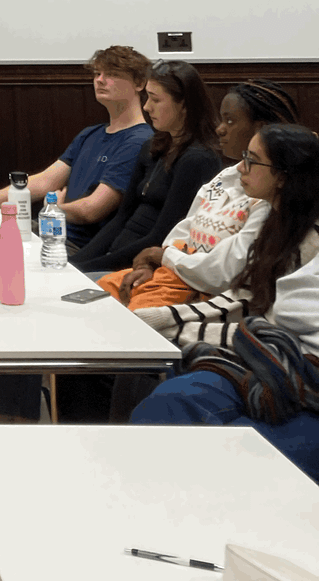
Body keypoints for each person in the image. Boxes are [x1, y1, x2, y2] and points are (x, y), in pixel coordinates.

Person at [132, 124, 319, 478]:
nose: (241, 167)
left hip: (283, 352)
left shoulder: (308, 236)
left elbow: (258, 303)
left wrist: (171, 311)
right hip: (263, 335)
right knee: (164, 398)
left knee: (240, 453)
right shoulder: (268, 214)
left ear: (282, 176)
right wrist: (165, 316)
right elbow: (247, 296)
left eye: (252, 160)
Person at [104, 79, 298, 312]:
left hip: (204, 290)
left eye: (229, 121)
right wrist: (154, 266)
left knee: (132, 315)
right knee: (99, 291)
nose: (220, 129)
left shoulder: (268, 198)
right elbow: (184, 231)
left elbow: (223, 273)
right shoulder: (225, 177)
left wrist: (164, 258)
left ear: (260, 128)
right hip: (174, 273)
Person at [0, 45, 152, 252]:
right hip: (50, 232)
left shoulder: (139, 140)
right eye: (98, 73)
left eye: (112, 74)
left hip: (78, 247)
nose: (99, 80)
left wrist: (54, 209)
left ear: (139, 83)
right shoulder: (91, 134)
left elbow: (92, 210)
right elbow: (45, 181)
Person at [71, 61, 221, 274]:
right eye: (147, 97)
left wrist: (85, 269)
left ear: (184, 105)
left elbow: (161, 237)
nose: (147, 106)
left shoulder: (198, 159)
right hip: (115, 256)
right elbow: (121, 218)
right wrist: (75, 265)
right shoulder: (151, 146)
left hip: (144, 266)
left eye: (156, 99)